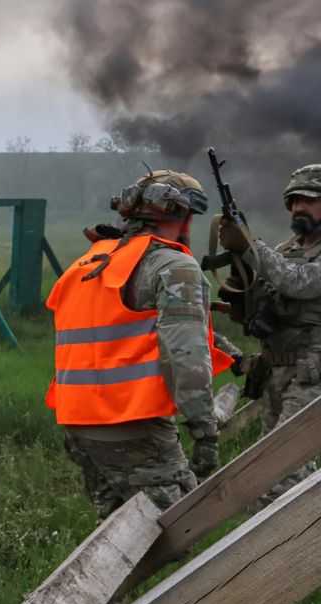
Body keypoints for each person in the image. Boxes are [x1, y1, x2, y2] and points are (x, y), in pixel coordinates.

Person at [46, 169, 234, 520]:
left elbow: (118, 331)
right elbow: (185, 356)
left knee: (117, 534)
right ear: (186, 219)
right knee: (177, 531)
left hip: (77, 423)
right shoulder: (173, 266)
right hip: (134, 424)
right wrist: (205, 431)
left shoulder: (88, 262)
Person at [217, 163, 321, 506]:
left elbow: (298, 282)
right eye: (293, 201)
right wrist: (241, 286)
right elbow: (269, 296)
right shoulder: (289, 248)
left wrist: (251, 247)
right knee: (276, 472)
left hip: (313, 378)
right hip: (278, 373)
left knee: (279, 476)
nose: (298, 208)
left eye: (308, 200)